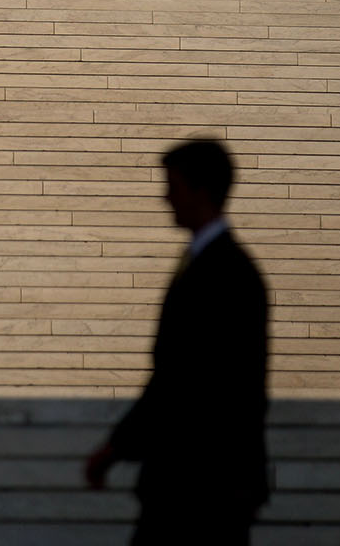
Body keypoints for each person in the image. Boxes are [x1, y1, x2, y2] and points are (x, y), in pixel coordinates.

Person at [84, 137, 269, 545]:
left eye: (173, 185)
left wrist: (116, 448)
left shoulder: (225, 273)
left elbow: (184, 379)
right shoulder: (215, 265)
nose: (165, 198)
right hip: (201, 483)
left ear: (200, 190)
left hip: (200, 484)